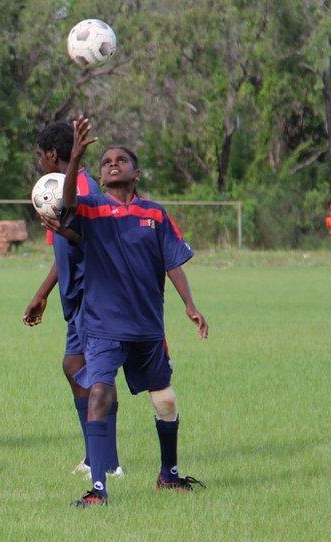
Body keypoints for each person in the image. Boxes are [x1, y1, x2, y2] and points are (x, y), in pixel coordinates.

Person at [43, 117, 208, 507]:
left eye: (121, 160)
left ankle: (168, 474)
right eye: (105, 162)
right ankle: (98, 488)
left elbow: (173, 263)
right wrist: (75, 160)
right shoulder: (91, 209)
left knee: (165, 399)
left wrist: (190, 305)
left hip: (148, 326)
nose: (112, 164)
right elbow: (67, 204)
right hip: (102, 327)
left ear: (136, 173)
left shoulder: (156, 214)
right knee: (99, 392)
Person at [22, 121, 124, 480]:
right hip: (75, 298)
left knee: (96, 375)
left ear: (52, 154)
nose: (40, 161)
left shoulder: (81, 187)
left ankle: (108, 462)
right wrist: (42, 294)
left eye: (41, 154)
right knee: (72, 367)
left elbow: (89, 239)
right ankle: (95, 454)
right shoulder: (58, 188)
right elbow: (64, 247)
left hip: (92, 295)